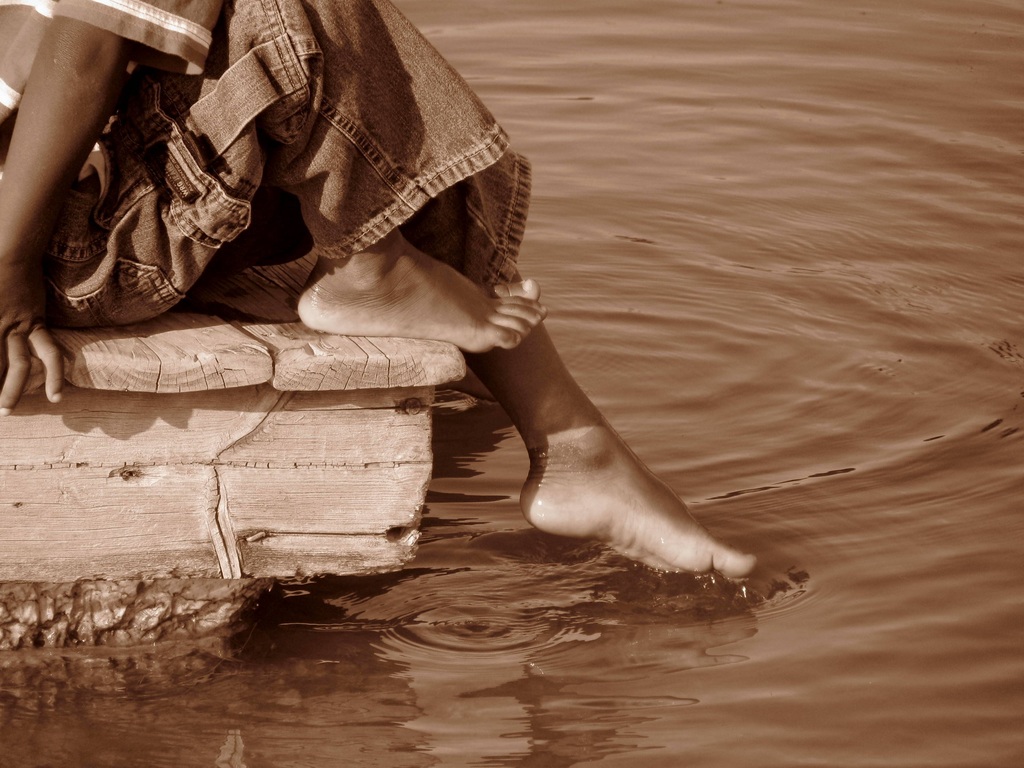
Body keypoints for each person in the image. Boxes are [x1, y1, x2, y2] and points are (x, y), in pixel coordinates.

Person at [0, 0, 756, 578]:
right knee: (298, 22)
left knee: (363, 130)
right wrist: (7, 270)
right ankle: (378, 277)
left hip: (65, 222)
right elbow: (89, 43)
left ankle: (568, 443)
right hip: (47, 246)